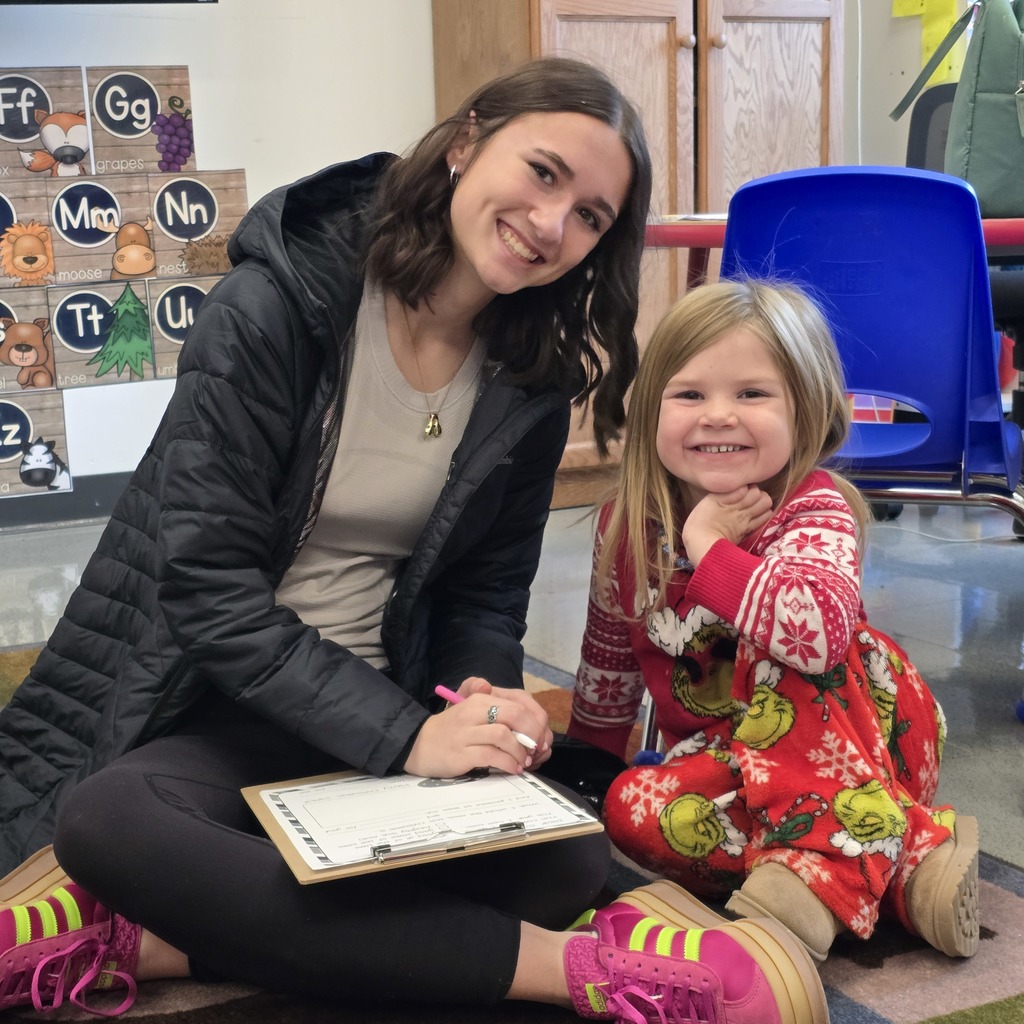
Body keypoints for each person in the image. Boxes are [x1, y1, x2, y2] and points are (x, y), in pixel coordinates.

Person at [0, 60, 828, 1024]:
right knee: (110, 824)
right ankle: (573, 974)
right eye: (545, 172)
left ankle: (151, 940)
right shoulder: (275, 310)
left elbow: (484, 598)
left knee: (564, 855)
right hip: (218, 702)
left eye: (594, 215)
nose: (554, 224)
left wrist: (480, 695)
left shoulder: (531, 373)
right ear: (469, 143)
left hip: (395, 707)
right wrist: (406, 737)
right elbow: (205, 589)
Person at [568, 279, 981, 965]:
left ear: (806, 409)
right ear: (651, 410)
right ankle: (908, 863)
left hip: (874, 737)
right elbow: (607, 656)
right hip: (733, 770)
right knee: (631, 805)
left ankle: (809, 882)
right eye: (690, 394)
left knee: (782, 654)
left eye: (752, 394)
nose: (719, 416)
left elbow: (815, 639)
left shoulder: (814, 506)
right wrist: (581, 773)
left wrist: (709, 548)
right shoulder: (625, 525)